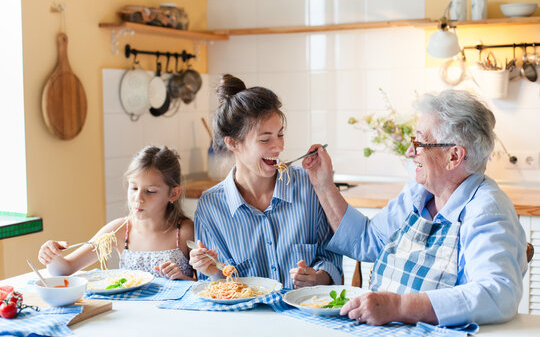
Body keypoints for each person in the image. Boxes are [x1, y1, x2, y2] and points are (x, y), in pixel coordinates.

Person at [303, 90, 527, 326]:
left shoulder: (487, 209)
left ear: (454, 156)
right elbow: (365, 240)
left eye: (419, 142)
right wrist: (323, 185)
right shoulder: (418, 193)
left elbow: (498, 294)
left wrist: (398, 307)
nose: (411, 151)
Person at [189, 74, 342, 289]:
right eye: (265, 139)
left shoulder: (308, 187)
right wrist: (212, 271)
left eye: (280, 135)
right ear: (233, 143)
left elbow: (331, 257)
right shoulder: (211, 206)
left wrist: (318, 277)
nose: (278, 147)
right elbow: (216, 288)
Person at [38, 145, 195, 280]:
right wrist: (51, 255)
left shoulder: (185, 231)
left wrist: (182, 278)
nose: (138, 198)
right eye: (133, 188)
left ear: (173, 193)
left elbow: (208, 284)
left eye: (150, 191)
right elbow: (64, 270)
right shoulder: (119, 230)